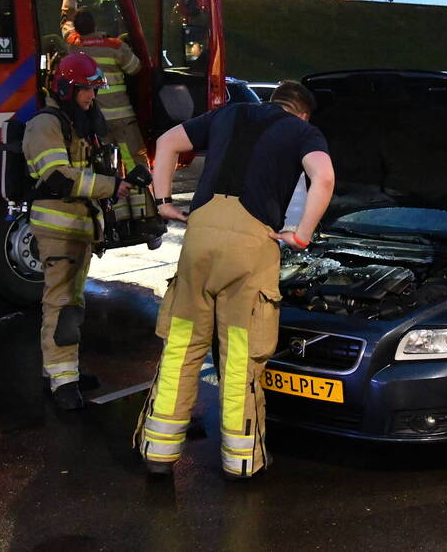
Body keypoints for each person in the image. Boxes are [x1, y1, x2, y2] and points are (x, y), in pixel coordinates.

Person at [133, 80, 335, 480]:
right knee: (240, 353)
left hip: (199, 237)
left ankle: (158, 451)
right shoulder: (302, 131)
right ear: (303, 112)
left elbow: (167, 143)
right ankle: (242, 461)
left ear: (274, 100)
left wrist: (164, 202)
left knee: (182, 346)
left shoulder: (227, 113)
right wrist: (302, 235)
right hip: (250, 244)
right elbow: (324, 178)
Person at [23, 53, 133, 411]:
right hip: (59, 229)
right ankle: (63, 382)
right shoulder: (45, 125)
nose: (91, 97)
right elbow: (57, 177)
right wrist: (109, 186)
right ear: (66, 89)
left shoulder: (76, 122)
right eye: (86, 90)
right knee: (62, 303)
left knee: (72, 301)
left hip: (78, 228)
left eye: (94, 90)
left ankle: (61, 369)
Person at [60, 0, 162, 244]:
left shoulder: (74, 46)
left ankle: (117, 221)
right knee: (136, 165)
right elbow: (136, 68)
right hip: (124, 120)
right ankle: (146, 220)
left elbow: (65, 26)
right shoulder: (115, 45)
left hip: (98, 122)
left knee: (109, 169)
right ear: (95, 24)